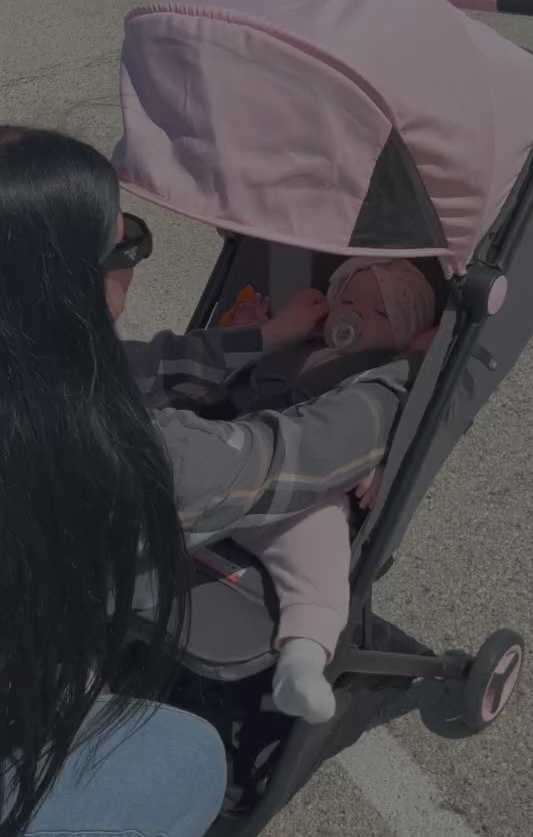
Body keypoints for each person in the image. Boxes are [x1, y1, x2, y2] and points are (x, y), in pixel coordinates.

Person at [0, 127, 406, 837]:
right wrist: (400, 373)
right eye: (127, 243)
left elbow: (130, 365)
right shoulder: (109, 458)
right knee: (188, 765)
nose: (134, 255)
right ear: (68, 280)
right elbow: (291, 456)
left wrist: (261, 338)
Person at [118, 256, 435, 725]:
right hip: (230, 456)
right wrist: (252, 331)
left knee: (320, 549)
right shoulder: (295, 343)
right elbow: (222, 378)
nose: (356, 314)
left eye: (380, 312)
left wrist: (383, 462)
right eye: (348, 300)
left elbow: (392, 430)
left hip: (299, 498)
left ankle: (303, 656)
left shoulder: (380, 376)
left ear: (405, 335)